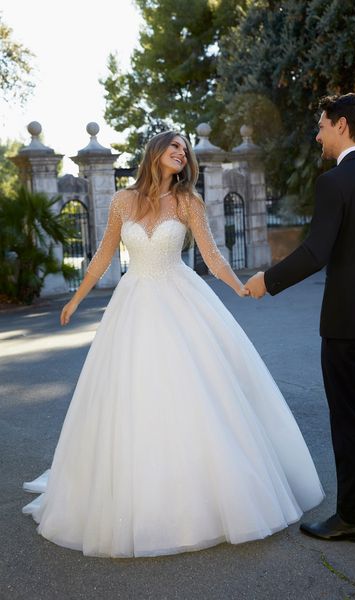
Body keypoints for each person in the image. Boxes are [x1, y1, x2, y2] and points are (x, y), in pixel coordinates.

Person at [22, 131, 323, 558]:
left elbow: (213, 256)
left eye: (185, 149)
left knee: (193, 390)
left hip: (180, 299)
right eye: (174, 146)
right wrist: (74, 298)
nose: (181, 153)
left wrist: (240, 287)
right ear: (156, 153)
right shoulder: (122, 201)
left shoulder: (188, 203)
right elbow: (104, 256)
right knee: (131, 394)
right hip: (133, 304)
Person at [246, 93, 355, 542]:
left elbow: (316, 252)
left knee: (349, 420)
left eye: (321, 125)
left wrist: (267, 281)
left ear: (342, 126)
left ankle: (354, 519)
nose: (317, 134)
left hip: (347, 326)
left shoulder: (334, 182)